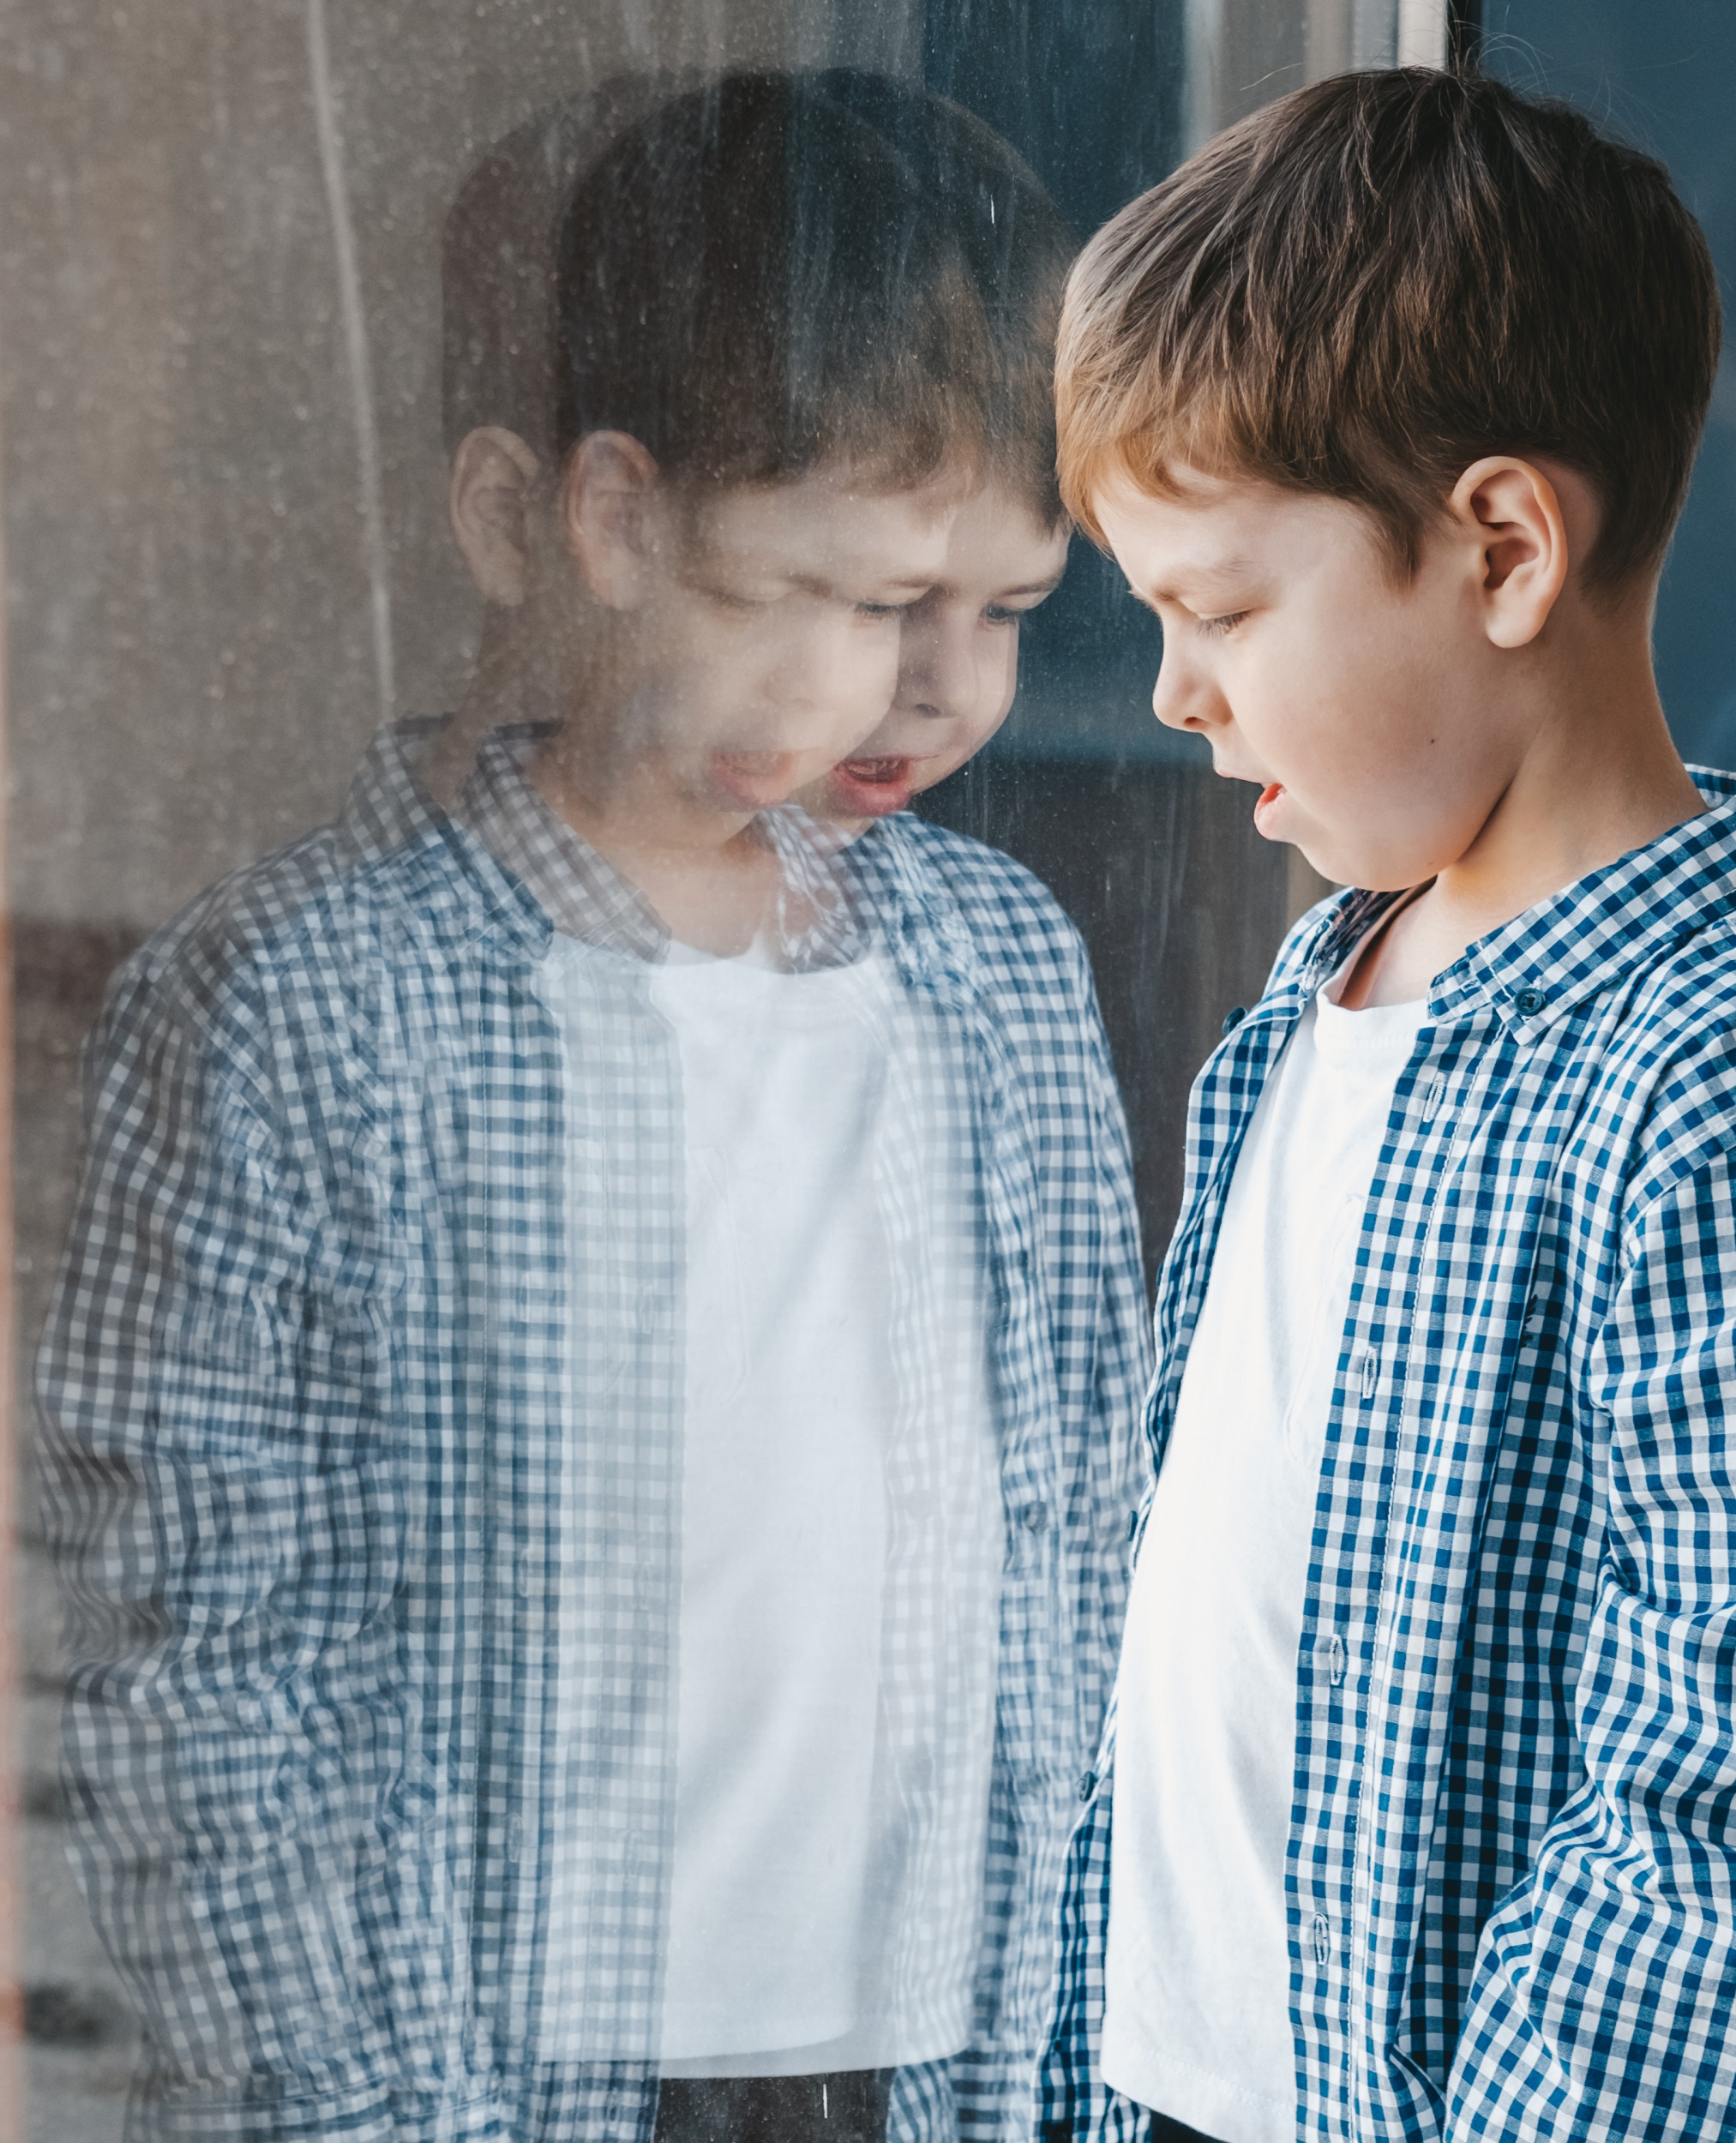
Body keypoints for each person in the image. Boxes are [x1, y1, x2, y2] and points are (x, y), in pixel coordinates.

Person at [38, 72, 1146, 2143]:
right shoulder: (305, 996)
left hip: (921, 2062)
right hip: (479, 2082)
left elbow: (1087, 1513)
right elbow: (192, 1645)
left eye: (1002, 609)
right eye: (850, 595)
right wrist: (341, 2103)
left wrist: (1064, 2048)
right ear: (587, 519)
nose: (938, 689)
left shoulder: (993, 967)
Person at [1037, 66, 1736, 2143]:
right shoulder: (1308, 1011)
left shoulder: (1731, 1098)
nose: (1173, 693)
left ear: (1495, 545)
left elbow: (1726, 1791)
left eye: (1213, 612)